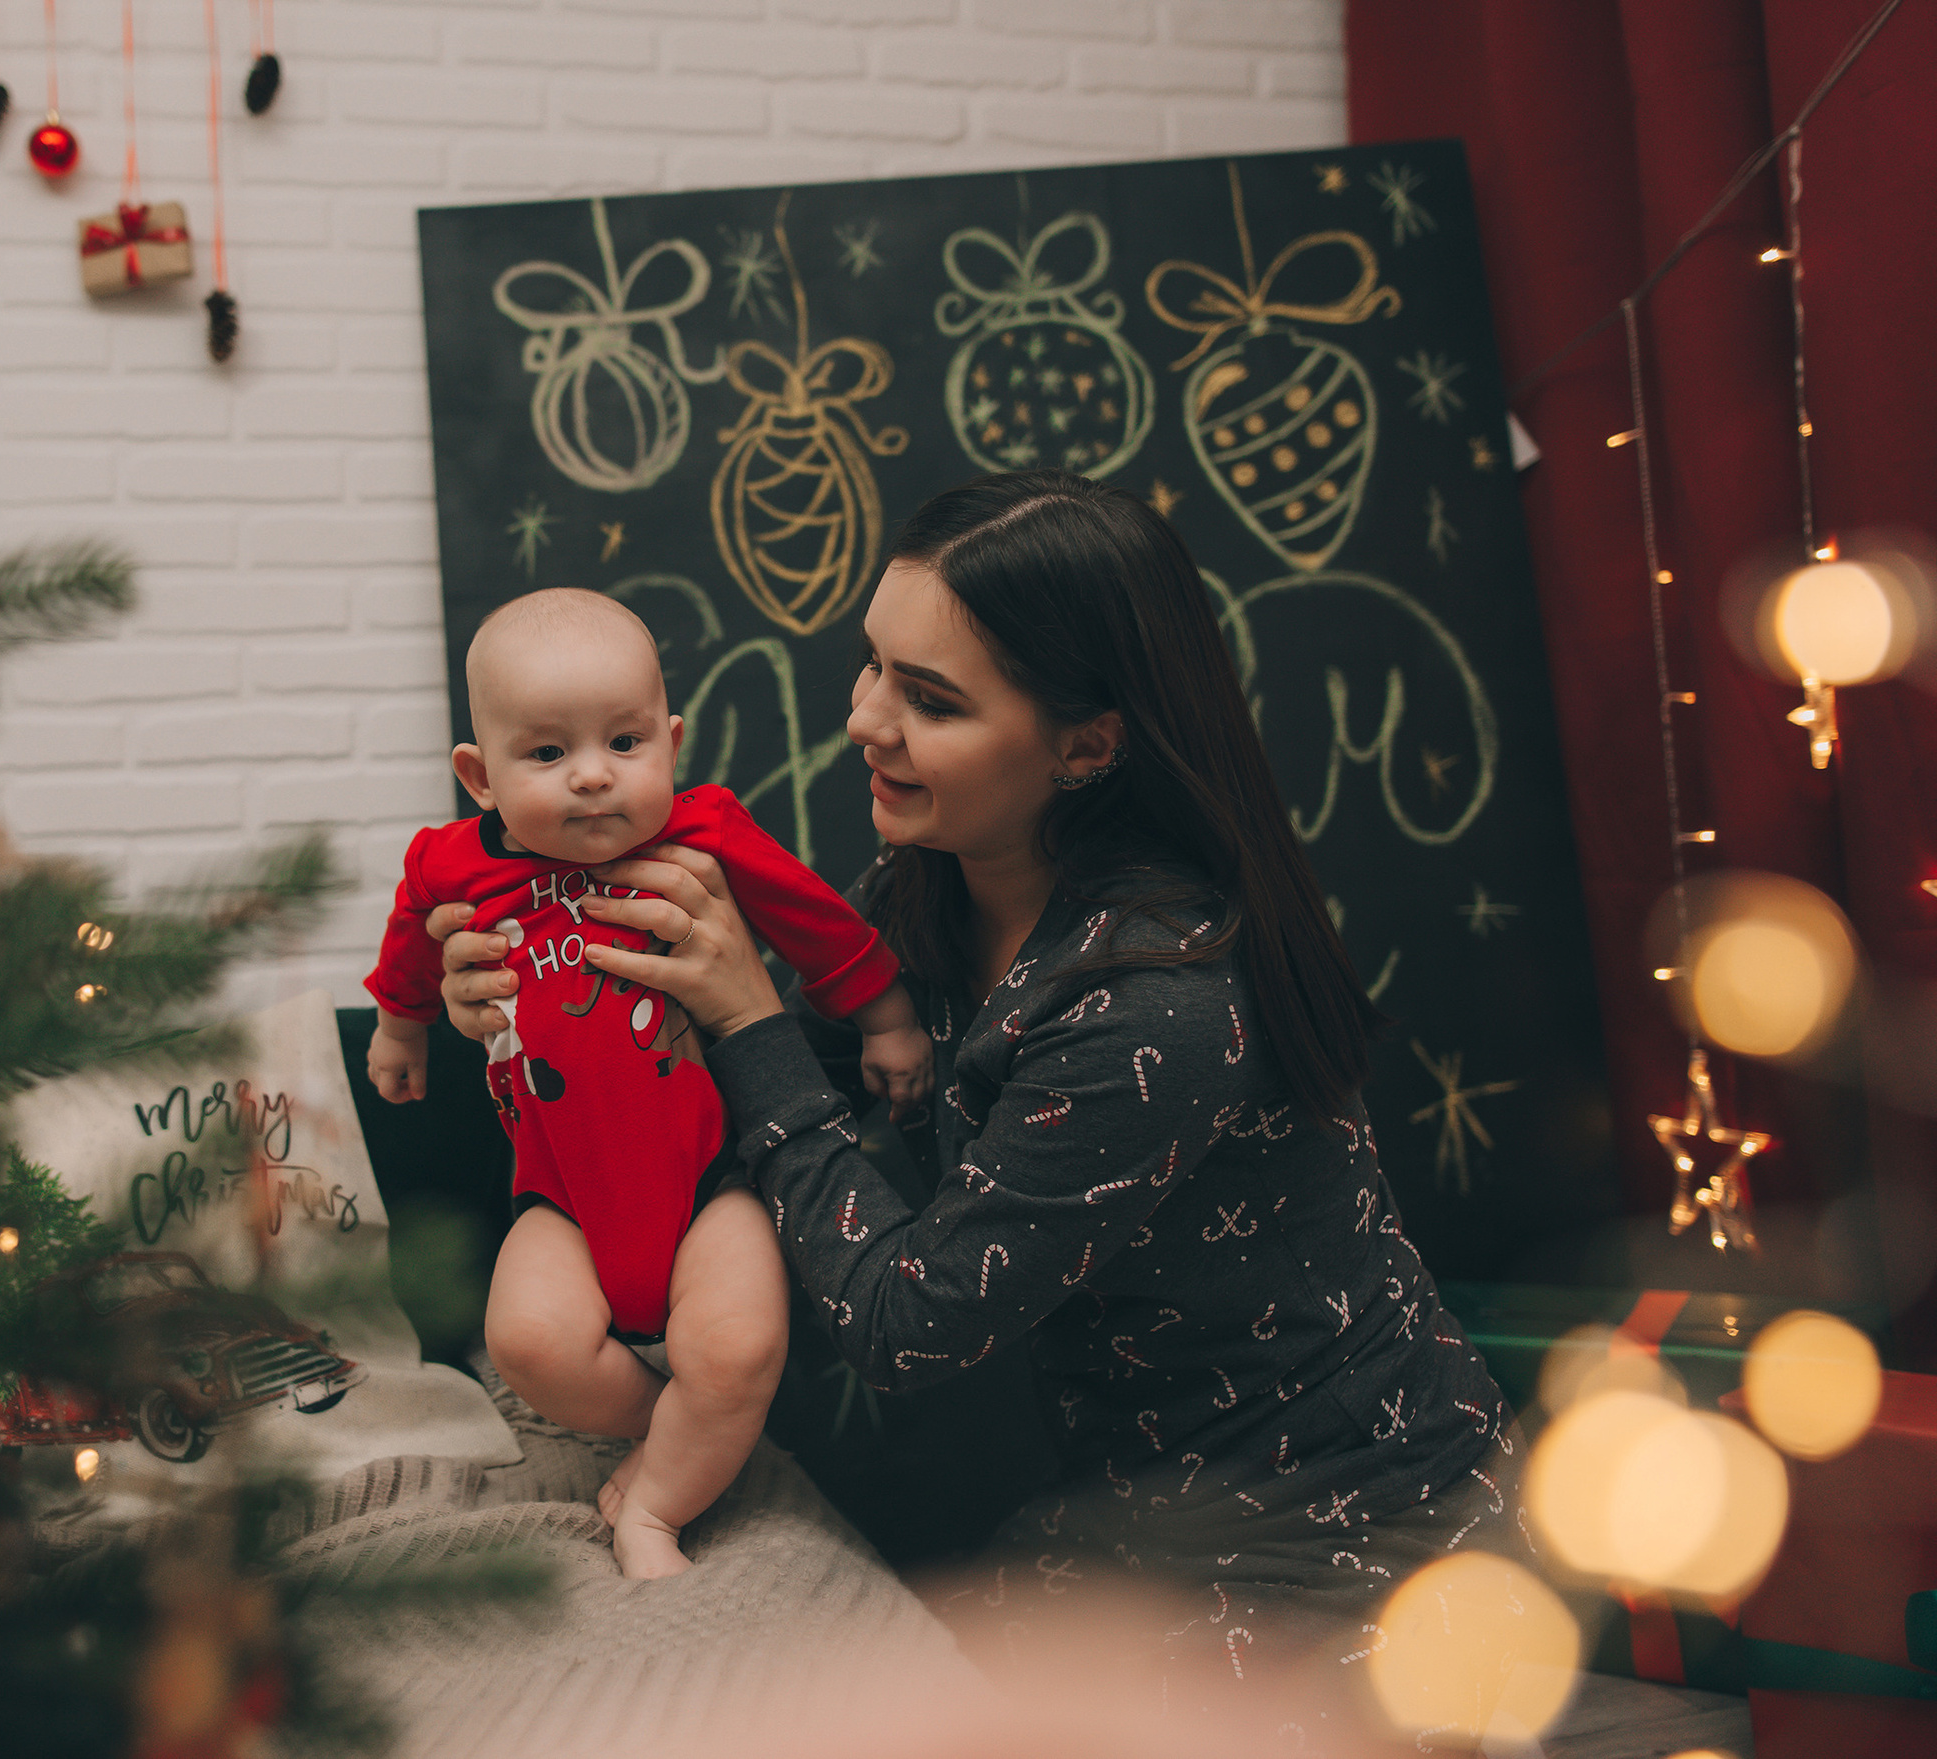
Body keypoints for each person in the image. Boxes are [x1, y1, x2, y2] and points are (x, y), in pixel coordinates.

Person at [420, 476, 1527, 1688]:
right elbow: (756, 1104)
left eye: (930, 700)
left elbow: (906, 1322)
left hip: (1371, 1546)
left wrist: (740, 1014)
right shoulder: (936, 881)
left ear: (1087, 743)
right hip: (1144, 1505)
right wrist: (531, 1001)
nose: (863, 722)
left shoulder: (1155, 1004)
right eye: (871, 667)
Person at [363, 588, 931, 1579]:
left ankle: (657, 1508)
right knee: (527, 1342)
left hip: (712, 1177)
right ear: (479, 775)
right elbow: (413, 941)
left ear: (670, 739)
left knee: (741, 1345)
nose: (592, 777)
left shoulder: (703, 834)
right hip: (563, 1197)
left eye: (624, 742)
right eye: (546, 754)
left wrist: (886, 1017)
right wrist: (400, 1028)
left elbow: (815, 923)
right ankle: (673, 1426)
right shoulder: (449, 865)